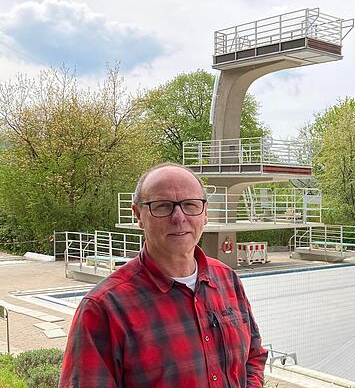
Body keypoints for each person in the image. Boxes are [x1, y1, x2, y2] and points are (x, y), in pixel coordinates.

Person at [60, 163, 268, 387]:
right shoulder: (103, 309)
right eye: (162, 206)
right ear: (139, 215)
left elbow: (253, 356)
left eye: (190, 205)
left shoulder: (227, 279)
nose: (179, 217)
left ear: (205, 213)